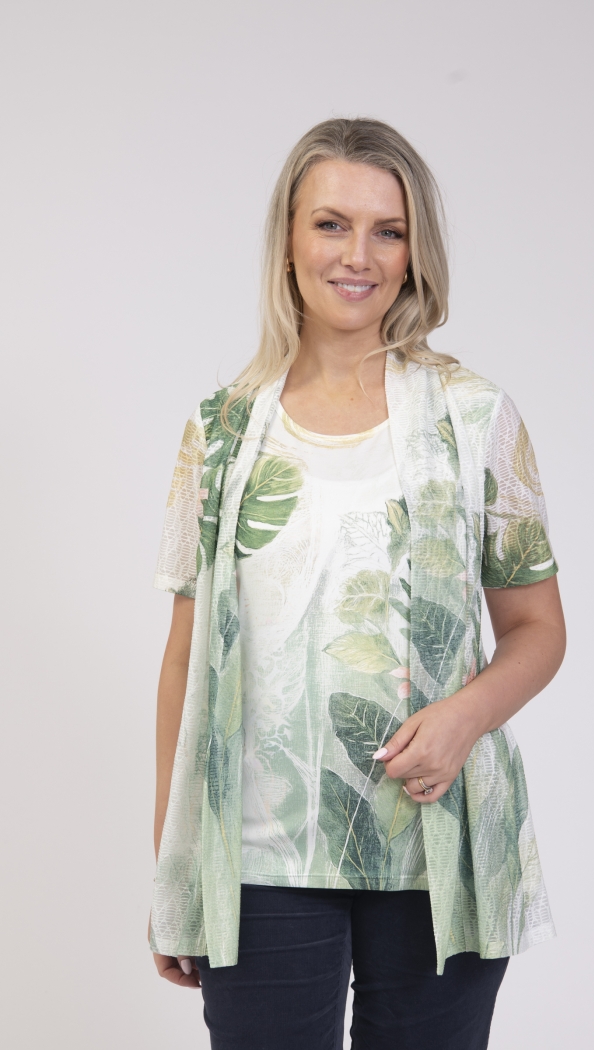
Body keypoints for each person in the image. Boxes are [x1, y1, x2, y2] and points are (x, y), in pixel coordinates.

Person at [149, 117, 566, 1050]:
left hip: (440, 847)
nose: (358, 256)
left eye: (388, 231)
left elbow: (538, 629)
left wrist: (464, 718)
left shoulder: (477, 417)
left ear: (415, 253)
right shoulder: (220, 433)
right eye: (331, 224)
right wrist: (176, 866)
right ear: (288, 240)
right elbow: (183, 660)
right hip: (260, 854)